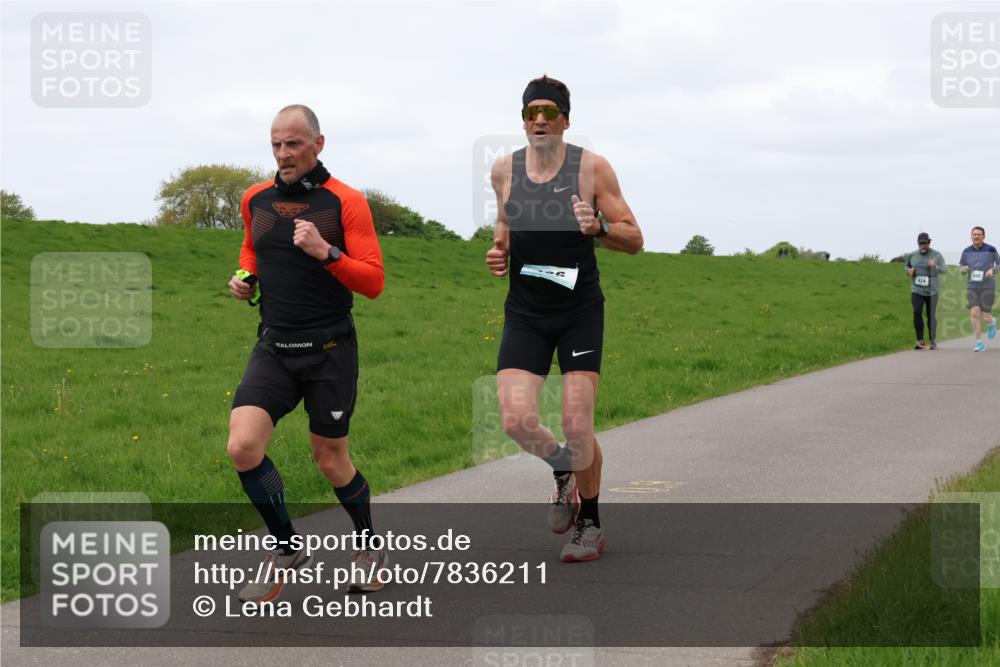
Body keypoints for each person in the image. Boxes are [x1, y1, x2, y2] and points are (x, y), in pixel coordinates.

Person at [226, 104, 386, 602]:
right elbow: (254, 249)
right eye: (275, 144)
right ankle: (287, 548)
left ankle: (368, 546)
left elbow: (374, 282)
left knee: (329, 459)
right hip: (274, 346)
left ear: (318, 144)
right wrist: (245, 278)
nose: (283, 153)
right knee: (242, 447)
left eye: (293, 143)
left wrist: (327, 252)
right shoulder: (255, 198)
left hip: (329, 349)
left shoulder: (346, 202)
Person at [485, 75, 644, 562]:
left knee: (577, 423)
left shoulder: (592, 169)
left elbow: (634, 237)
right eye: (530, 112)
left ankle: (590, 523)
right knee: (515, 420)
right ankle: (561, 471)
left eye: (549, 112)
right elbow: (505, 220)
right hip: (526, 314)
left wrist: (596, 228)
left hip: (577, 311)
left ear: (566, 119)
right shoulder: (503, 169)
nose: (539, 119)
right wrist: (499, 249)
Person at [959, 226, 999, 352]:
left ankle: (991, 322)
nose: (976, 236)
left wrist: (993, 270)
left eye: (979, 234)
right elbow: (962, 268)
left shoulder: (991, 249)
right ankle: (979, 343)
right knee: (974, 313)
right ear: (971, 236)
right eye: (974, 234)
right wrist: (963, 270)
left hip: (988, 287)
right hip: (972, 286)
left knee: (985, 316)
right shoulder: (966, 251)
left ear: (983, 236)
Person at [905, 232, 947, 350]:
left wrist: (935, 267)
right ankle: (920, 341)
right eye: (921, 243)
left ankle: (933, 340)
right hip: (916, 289)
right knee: (917, 312)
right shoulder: (912, 255)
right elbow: (906, 266)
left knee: (930, 315)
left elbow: (944, 270)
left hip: (932, 291)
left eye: (925, 243)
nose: (923, 245)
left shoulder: (937, 255)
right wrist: (909, 271)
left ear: (929, 242)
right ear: (918, 243)